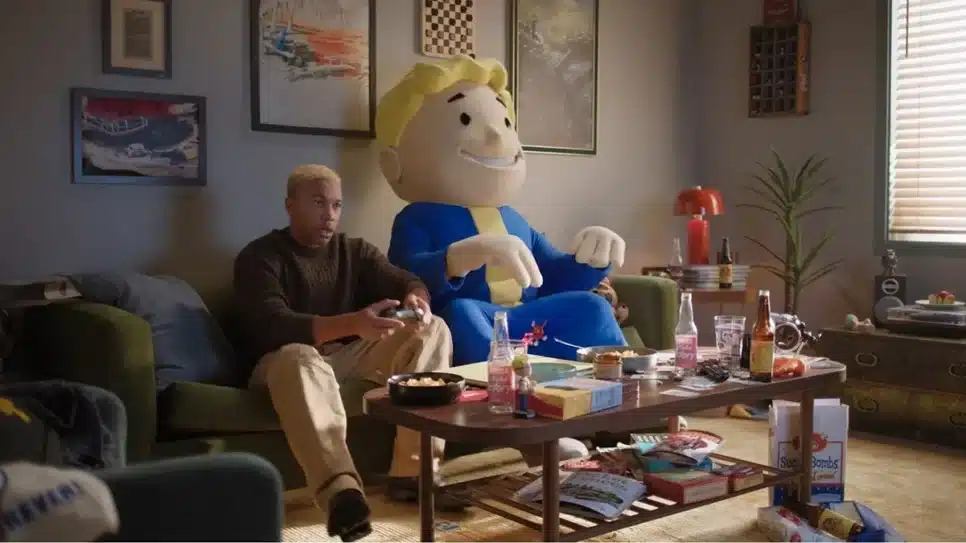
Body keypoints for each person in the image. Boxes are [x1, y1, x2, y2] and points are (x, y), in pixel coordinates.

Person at [233, 164, 457, 542]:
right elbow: (273, 324)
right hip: (280, 364)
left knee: (433, 328)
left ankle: (414, 473)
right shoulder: (259, 257)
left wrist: (416, 298)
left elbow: (405, 279)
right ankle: (342, 493)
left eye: (336, 205)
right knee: (300, 355)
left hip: (345, 356)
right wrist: (354, 323)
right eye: (318, 203)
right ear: (290, 205)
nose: (330, 215)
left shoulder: (354, 251)